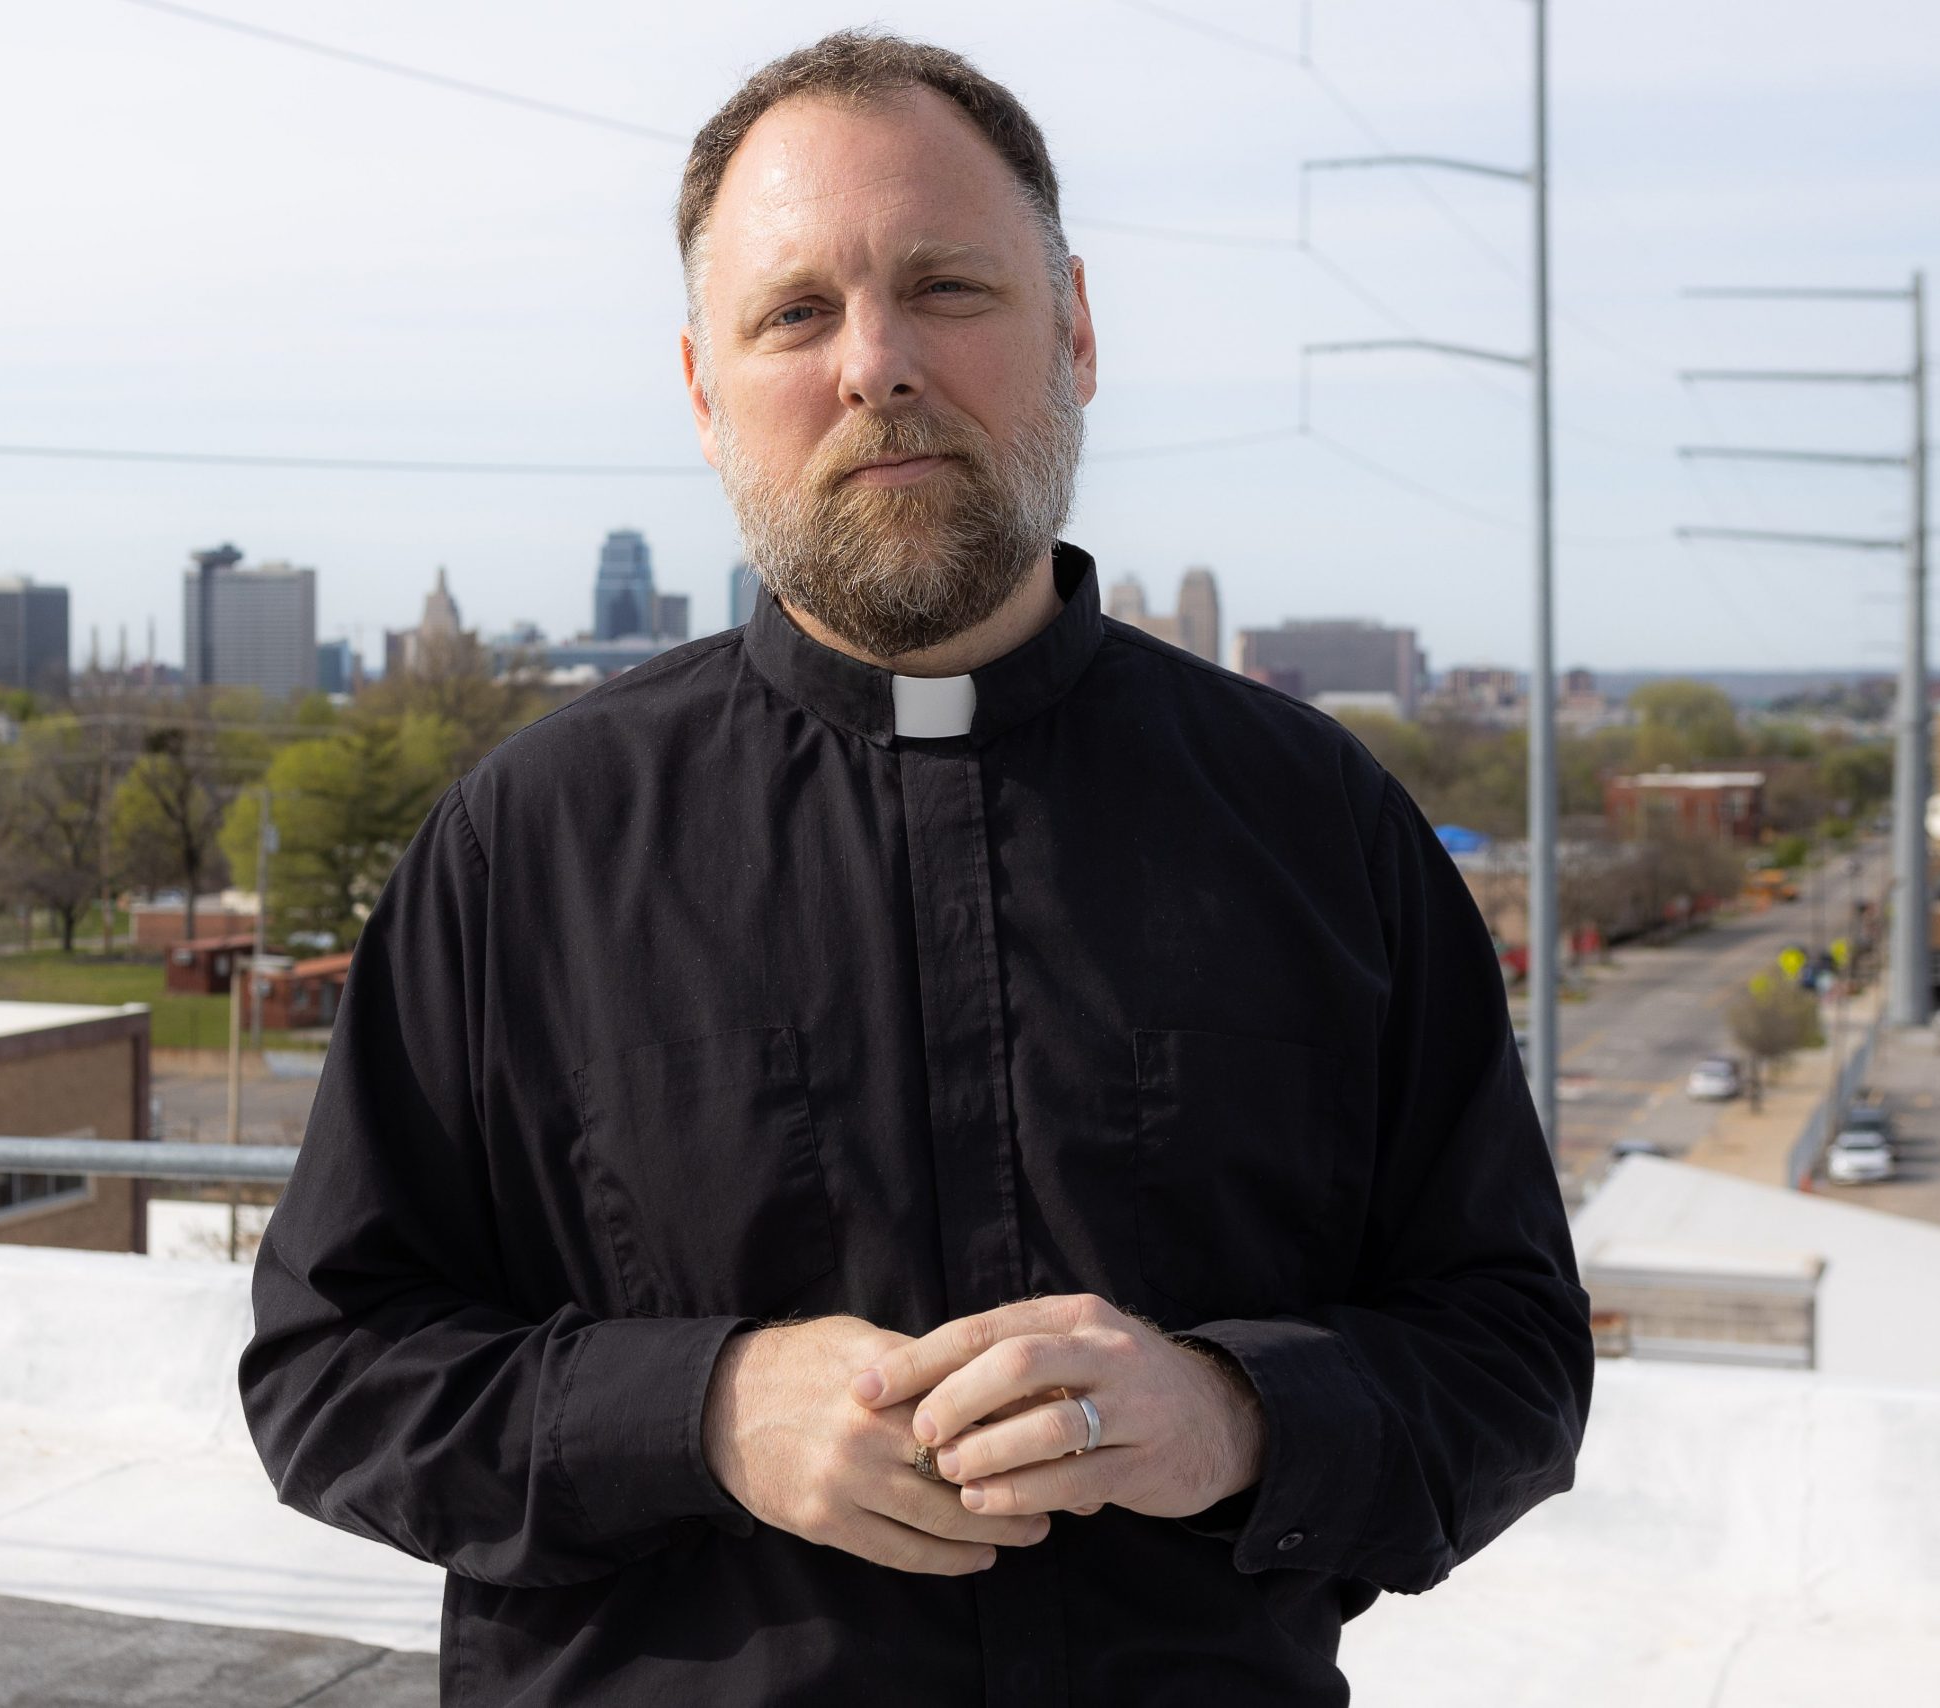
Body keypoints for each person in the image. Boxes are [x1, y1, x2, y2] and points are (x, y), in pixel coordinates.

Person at [240, 29, 1591, 1706]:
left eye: (947, 286)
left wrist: (1237, 1412)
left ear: (1076, 330)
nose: (875, 363)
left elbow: (1517, 1360)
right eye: (796, 311)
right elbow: (329, 1371)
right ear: (700, 387)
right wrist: (702, 1412)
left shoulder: (1321, 827)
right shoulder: (525, 850)